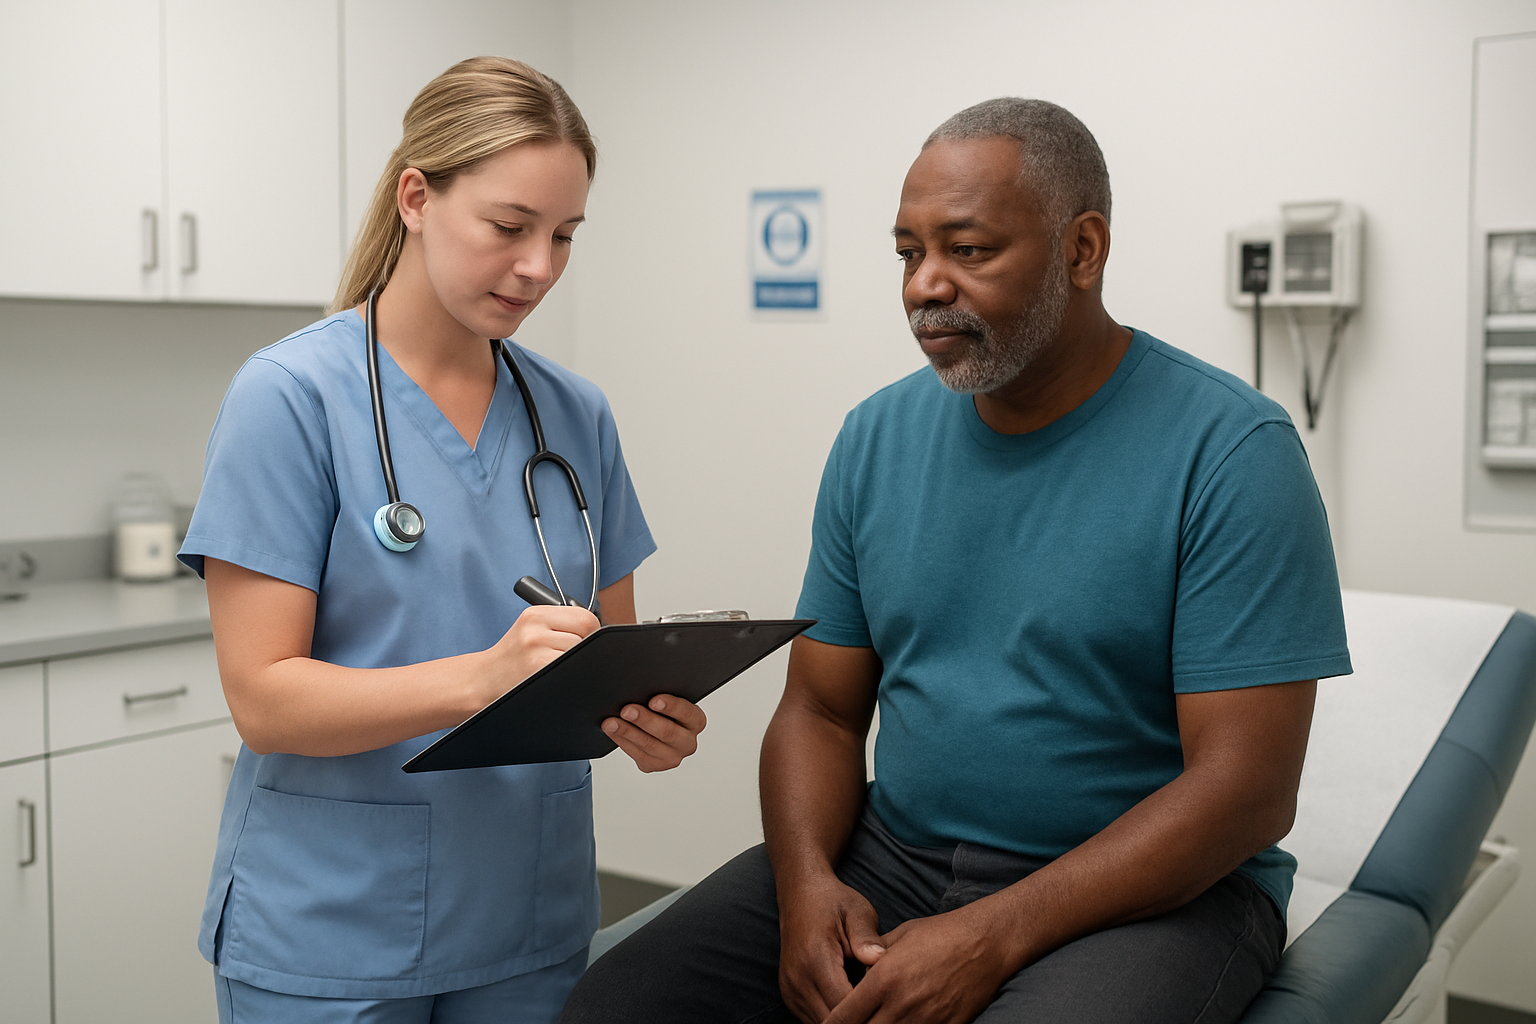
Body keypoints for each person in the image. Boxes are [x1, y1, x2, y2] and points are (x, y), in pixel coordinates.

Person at [560, 98, 1352, 1024]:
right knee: (614, 1006)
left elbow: (1246, 794)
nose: (924, 285)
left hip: (1154, 899)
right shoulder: (877, 438)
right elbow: (818, 708)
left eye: (968, 251)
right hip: (893, 857)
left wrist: (996, 931)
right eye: (907, 253)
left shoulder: (1230, 452)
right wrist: (808, 885)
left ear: (1082, 250)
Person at [177, 56, 707, 1024]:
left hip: (526, 920)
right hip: (334, 927)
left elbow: (610, 664)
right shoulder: (290, 397)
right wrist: (484, 677)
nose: (538, 265)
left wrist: (649, 724)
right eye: (509, 227)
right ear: (416, 197)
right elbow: (265, 698)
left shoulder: (574, 416)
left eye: (563, 235)